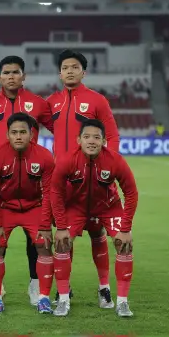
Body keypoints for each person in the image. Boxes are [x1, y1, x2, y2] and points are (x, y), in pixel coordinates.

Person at [47, 49, 121, 305]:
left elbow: (112, 136)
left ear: (83, 72)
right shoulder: (52, 102)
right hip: (63, 181)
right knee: (64, 236)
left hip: (92, 179)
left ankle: (104, 288)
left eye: (75, 67)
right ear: (60, 73)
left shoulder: (97, 100)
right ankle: (64, 289)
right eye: (65, 67)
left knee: (97, 233)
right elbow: (26, 117)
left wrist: (107, 167)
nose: (70, 71)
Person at [0, 55, 55, 307]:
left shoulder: (39, 103)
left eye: (16, 72)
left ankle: (36, 286)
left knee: (36, 242)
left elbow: (60, 129)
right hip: (1, 179)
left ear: (24, 76)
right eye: (6, 72)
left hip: (31, 182)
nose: (11, 76)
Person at [50, 119, 138, 317]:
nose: (91, 141)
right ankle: (63, 299)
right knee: (62, 243)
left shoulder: (115, 160)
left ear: (104, 141)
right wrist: (61, 226)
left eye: (96, 137)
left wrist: (125, 229)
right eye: (87, 137)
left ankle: (120, 301)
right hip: (76, 207)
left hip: (108, 207)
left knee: (124, 244)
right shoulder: (67, 160)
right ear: (78, 140)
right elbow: (55, 192)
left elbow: (131, 193)